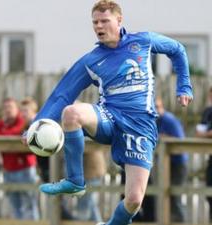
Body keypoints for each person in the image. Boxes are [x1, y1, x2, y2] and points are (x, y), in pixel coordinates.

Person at [22, 1, 193, 224]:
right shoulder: (91, 60)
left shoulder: (143, 41)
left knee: (133, 200)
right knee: (71, 113)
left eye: (104, 21)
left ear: (119, 20)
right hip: (109, 117)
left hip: (140, 127)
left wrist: (184, 86)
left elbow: (177, 50)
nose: (99, 26)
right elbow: (61, 95)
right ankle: (75, 181)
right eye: (95, 22)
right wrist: (36, 124)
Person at [0, 97, 39, 220]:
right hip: (8, 170)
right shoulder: (3, 124)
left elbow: (15, 133)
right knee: (16, 207)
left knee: (30, 206)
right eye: (5, 108)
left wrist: (2, 133)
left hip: (25, 169)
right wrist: (2, 126)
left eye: (11, 107)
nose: (8, 110)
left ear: (17, 109)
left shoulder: (22, 121)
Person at [155, 96, 188, 222]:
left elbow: (180, 141)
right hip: (166, 163)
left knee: (175, 197)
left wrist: (165, 137)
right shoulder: (156, 121)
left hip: (178, 164)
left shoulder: (169, 120)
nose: (156, 109)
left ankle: (180, 222)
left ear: (162, 106)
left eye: (158, 106)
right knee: (165, 197)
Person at [195, 86, 212, 221]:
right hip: (210, 159)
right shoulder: (207, 111)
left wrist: (206, 134)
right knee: (209, 194)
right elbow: (198, 133)